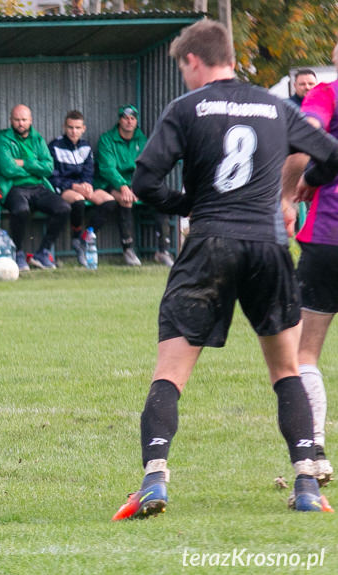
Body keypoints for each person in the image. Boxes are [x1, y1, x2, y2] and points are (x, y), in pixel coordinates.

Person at [111, 19, 338, 521]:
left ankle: (153, 480)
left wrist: (188, 203)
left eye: (182, 68)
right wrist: (308, 184)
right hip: (267, 247)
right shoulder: (277, 106)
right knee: (285, 369)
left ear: (193, 60)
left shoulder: (187, 108)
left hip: (209, 245)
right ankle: (305, 482)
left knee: (170, 374)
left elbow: (145, 181)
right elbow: (332, 155)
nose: (183, 77)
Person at [280, 48, 338, 488]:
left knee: (303, 353)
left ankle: (315, 453)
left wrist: (290, 192)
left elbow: (308, 136)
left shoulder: (326, 93)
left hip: (328, 238)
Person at [93, 105, 175, 267]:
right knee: (126, 199)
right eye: (126, 118)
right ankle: (128, 249)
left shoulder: (142, 139)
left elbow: (148, 166)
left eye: (133, 118)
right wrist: (123, 186)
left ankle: (163, 250)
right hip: (111, 184)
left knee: (161, 199)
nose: (129, 122)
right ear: (119, 120)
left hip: (137, 184)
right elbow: (108, 169)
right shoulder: (107, 139)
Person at [0, 104, 70, 271]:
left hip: (38, 187)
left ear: (30, 120)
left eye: (24, 120)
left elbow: (49, 167)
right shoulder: (2, 140)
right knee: (21, 210)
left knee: (63, 208)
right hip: (13, 187)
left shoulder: (38, 139)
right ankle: (18, 253)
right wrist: (35, 166)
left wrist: (24, 163)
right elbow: (7, 169)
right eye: (17, 120)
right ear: (10, 121)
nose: (21, 123)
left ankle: (43, 252)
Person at [48, 110, 118, 267]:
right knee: (78, 200)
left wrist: (86, 185)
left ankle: (86, 236)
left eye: (77, 128)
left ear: (83, 129)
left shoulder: (86, 147)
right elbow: (53, 177)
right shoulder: (54, 146)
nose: (74, 131)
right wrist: (74, 186)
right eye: (70, 127)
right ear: (64, 127)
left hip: (82, 186)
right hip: (64, 188)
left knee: (110, 201)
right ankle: (76, 237)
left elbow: (89, 171)